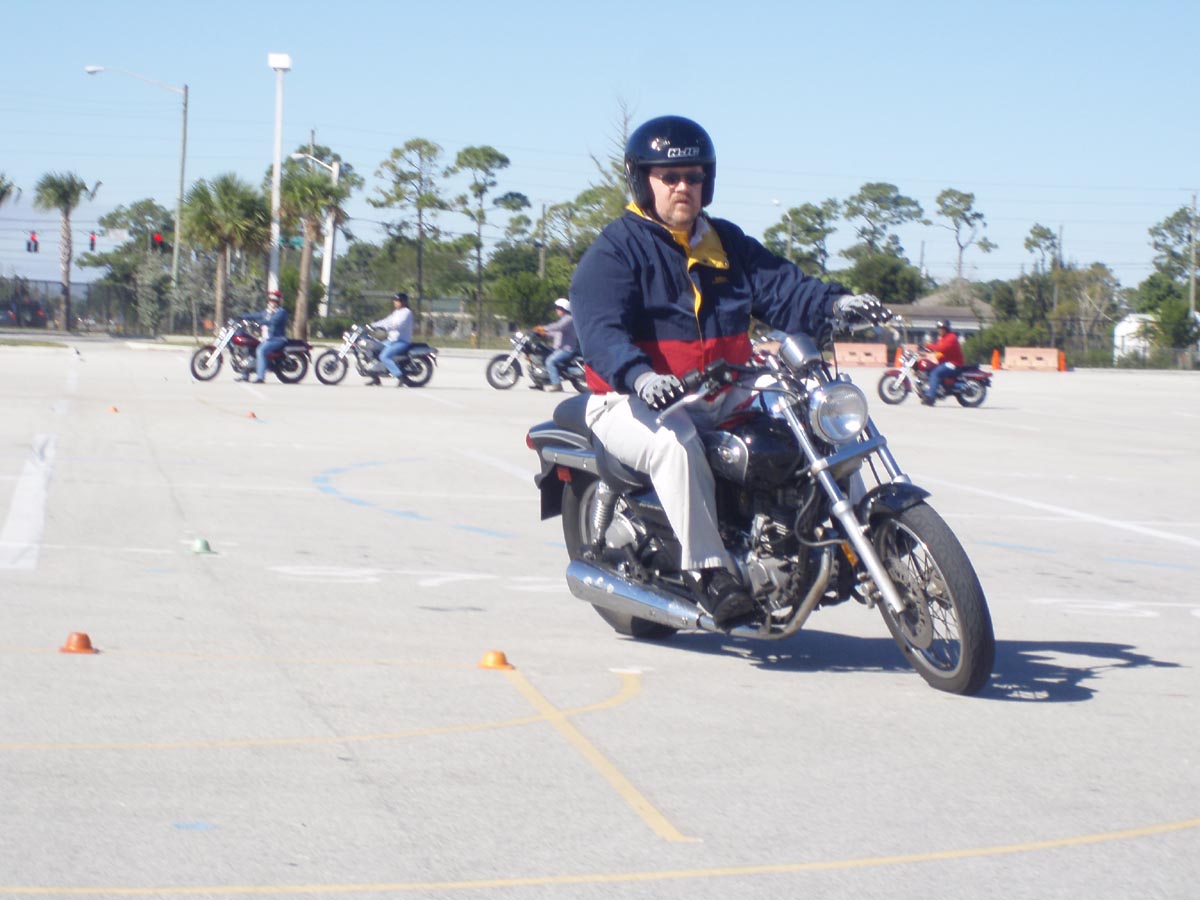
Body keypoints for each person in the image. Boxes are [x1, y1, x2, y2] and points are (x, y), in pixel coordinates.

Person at [569, 114, 889, 629]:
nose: (683, 187)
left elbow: (786, 289)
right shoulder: (616, 250)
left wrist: (837, 304)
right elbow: (600, 330)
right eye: (670, 177)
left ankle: (845, 540)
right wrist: (640, 376)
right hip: (631, 400)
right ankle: (709, 572)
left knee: (816, 418)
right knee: (674, 444)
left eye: (693, 177)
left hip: (722, 390)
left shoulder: (726, 243)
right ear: (643, 181)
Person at [239, 290, 288, 383]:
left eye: (274, 300)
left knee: (261, 350)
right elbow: (254, 315)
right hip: (265, 339)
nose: (271, 302)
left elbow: (273, 321)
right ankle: (245, 376)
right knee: (248, 349)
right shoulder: (266, 312)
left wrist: (258, 323)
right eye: (270, 300)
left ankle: (260, 377)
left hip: (276, 339)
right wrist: (241, 316)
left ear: (278, 301)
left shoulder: (281, 312)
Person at [532, 298, 578, 392]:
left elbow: (557, 327)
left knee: (550, 361)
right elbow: (556, 334)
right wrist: (544, 334)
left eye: (558, 308)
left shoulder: (568, 319)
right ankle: (540, 382)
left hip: (566, 349)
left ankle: (557, 385)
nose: (556, 310)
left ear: (564, 308)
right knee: (541, 358)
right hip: (558, 348)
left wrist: (543, 328)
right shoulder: (563, 320)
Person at [370, 292, 414, 386]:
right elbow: (386, 321)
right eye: (395, 300)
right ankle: (375, 377)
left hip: (401, 341)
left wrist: (385, 327)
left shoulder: (407, 312)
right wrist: (373, 325)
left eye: (397, 301)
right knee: (374, 350)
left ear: (404, 302)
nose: (395, 302)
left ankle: (401, 377)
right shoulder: (396, 312)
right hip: (391, 341)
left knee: (384, 356)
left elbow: (398, 325)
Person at [922, 319, 964, 405]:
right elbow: (940, 351)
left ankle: (931, 397)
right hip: (946, 363)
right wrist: (924, 351)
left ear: (946, 329)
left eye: (942, 328)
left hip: (954, 363)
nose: (940, 330)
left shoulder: (951, 337)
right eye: (939, 328)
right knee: (929, 369)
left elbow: (941, 348)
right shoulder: (943, 338)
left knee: (935, 373)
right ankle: (932, 390)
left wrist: (928, 346)